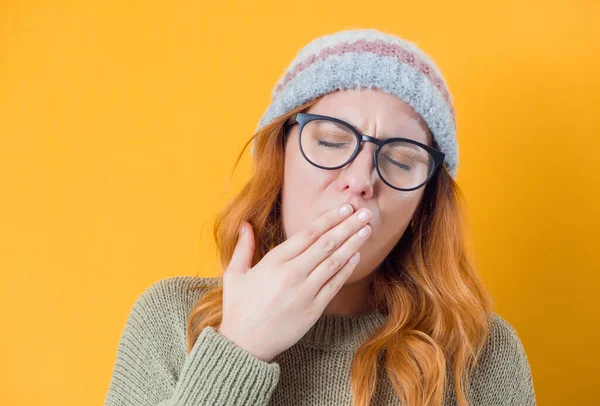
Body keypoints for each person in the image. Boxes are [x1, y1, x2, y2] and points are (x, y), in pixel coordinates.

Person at [104, 28, 536, 406]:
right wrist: (239, 348)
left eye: (402, 162)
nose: (360, 179)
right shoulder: (171, 320)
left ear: (425, 205)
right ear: (280, 156)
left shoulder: (482, 355)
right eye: (331, 141)